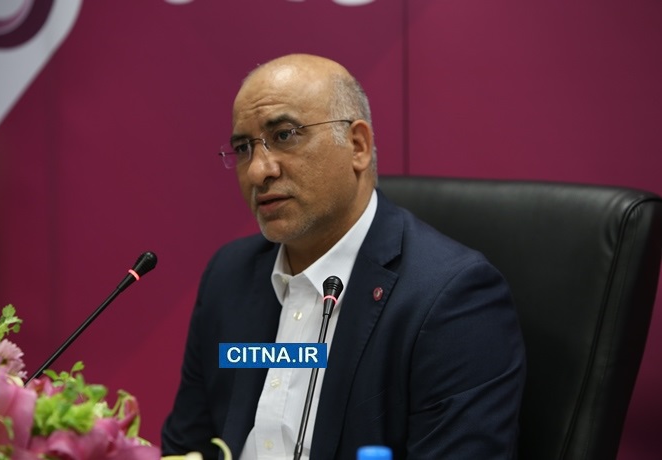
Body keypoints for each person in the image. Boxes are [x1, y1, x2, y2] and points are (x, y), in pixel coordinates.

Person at [161, 53, 526, 459]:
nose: (258, 171)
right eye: (243, 148)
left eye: (284, 135)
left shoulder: (451, 299)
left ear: (357, 146)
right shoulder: (229, 276)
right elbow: (187, 447)